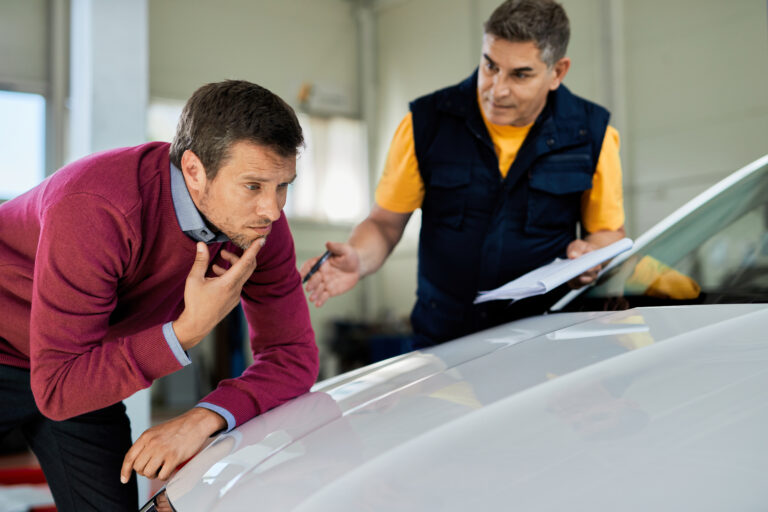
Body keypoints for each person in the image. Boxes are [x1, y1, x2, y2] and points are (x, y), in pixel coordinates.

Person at [0, 80, 318, 511]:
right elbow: (57, 390)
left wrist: (204, 418)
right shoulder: (97, 206)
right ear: (194, 170)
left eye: (284, 185)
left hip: (80, 364)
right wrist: (186, 331)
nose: (273, 210)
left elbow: (293, 354)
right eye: (253, 186)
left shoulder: (261, 229)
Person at [302, 0, 626, 348]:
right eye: (490, 66)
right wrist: (358, 258)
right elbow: (385, 224)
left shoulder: (591, 135)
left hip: (546, 343)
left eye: (520, 74)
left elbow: (608, 232)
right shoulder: (425, 125)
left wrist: (592, 254)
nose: (496, 89)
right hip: (445, 346)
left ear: (557, 73)